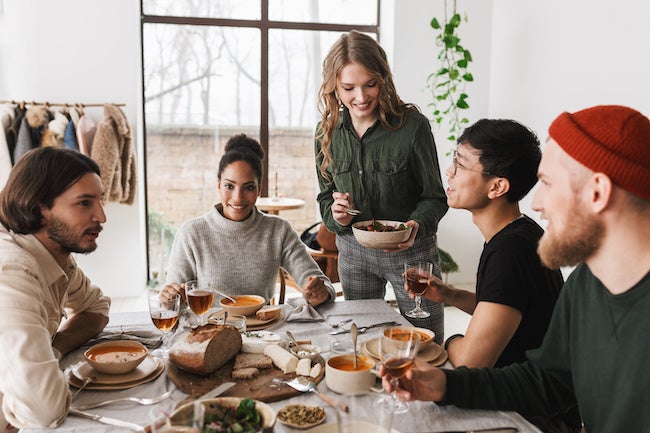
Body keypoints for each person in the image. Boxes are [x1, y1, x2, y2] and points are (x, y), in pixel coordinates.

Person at [380, 105, 650, 433]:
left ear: (597, 193)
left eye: (548, 185)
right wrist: (445, 385)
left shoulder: (518, 250)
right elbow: (549, 381)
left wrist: (447, 341)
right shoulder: (586, 282)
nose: (537, 204)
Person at [314, 30, 448, 342]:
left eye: (370, 84)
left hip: (411, 253)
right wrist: (337, 216)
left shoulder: (413, 127)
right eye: (348, 88)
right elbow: (324, 196)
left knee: (425, 341)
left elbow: (435, 197)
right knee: (362, 340)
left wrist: (416, 225)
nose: (360, 97)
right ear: (334, 86)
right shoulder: (325, 132)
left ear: (383, 79)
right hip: (353, 252)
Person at [413, 119, 563, 369]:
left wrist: (446, 341)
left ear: (497, 187)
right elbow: (506, 307)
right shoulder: (520, 233)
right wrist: (449, 294)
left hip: (521, 402)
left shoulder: (510, 252)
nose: (450, 172)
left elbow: (470, 363)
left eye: (460, 164)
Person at [0, 147, 111, 432]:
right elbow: (44, 411)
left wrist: (56, 349)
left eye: (100, 200)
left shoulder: (54, 253)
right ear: (39, 209)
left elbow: (96, 308)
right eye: (84, 203)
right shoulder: (12, 270)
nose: (101, 216)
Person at [160, 133, 336, 308]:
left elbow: (321, 283)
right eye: (229, 186)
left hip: (265, 333)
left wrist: (320, 292)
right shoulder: (192, 233)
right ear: (219, 185)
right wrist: (169, 298)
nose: (238, 198)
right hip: (209, 331)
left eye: (249, 187)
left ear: (259, 189)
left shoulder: (278, 230)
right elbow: (173, 300)